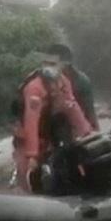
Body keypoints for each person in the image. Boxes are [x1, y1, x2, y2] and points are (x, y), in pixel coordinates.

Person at [13, 49, 95, 193]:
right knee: (27, 171)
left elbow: (72, 107)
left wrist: (87, 133)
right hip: (29, 129)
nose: (48, 67)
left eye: (52, 63)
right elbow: (31, 122)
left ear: (63, 65)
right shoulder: (34, 88)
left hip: (51, 124)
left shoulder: (63, 82)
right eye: (45, 63)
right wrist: (32, 155)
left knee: (67, 152)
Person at [48, 44, 100, 131]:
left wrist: (96, 131)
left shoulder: (82, 81)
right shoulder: (44, 81)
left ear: (66, 63)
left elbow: (90, 111)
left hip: (76, 129)